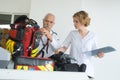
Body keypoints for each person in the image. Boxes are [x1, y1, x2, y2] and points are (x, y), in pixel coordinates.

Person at [55, 10, 104, 78]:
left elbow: (95, 52)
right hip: (73, 69)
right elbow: (64, 47)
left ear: (83, 21)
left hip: (87, 71)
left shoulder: (93, 35)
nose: (74, 23)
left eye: (76, 21)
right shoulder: (72, 33)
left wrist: (99, 54)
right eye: (74, 21)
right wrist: (59, 50)